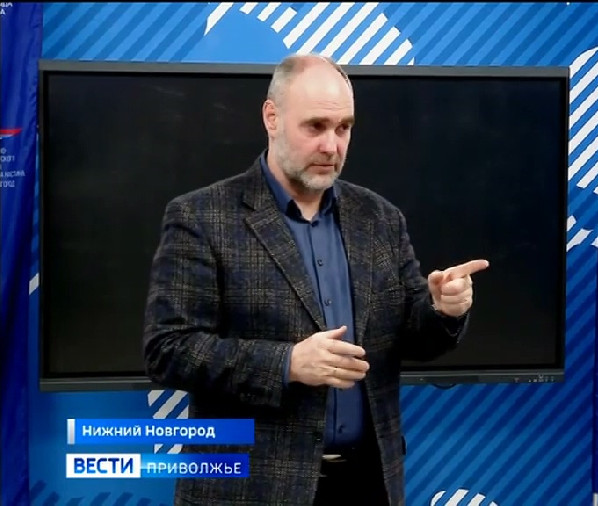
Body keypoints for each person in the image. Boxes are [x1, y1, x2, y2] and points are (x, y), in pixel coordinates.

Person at [142, 53, 489, 506]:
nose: (332, 145)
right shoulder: (202, 217)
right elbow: (168, 350)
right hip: (251, 491)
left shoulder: (380, 219)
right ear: (272, 118)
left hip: (368, 485)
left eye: (344, 128)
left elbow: (413, 339)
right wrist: (287, 363)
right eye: (316, 127)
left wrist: (443, 310)